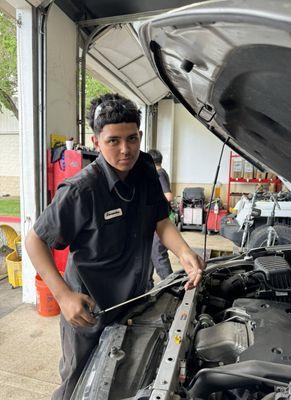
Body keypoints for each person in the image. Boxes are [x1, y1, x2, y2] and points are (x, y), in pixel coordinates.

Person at [25, 93, 205, 400]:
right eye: (114, 141)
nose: (126, 149)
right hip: (91, 309)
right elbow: (34, 240)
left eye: (132, 138)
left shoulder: (146, 169)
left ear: (140, 135)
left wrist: (184, 252)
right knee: (78, 381)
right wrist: (63, 295)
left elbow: (160, 220)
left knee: (130, 376)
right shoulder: (82, 189)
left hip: (138, 299)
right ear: (96, 142)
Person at [148, 149, 173, 282]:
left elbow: (168, 196)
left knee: (158, 255)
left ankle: (171, 285)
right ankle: (147, 286)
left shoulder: (159, 173)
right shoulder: (161, 172)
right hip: (154, 221)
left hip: (161, 221)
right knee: (150, 254)